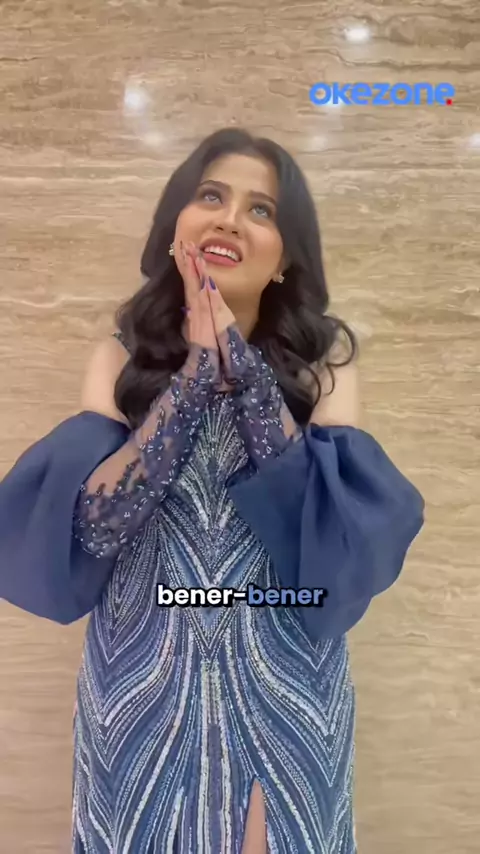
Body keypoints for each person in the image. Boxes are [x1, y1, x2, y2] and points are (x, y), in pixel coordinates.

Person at [0, 128, 424, 854]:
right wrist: (196, 375)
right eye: (211, 196)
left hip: (286, 680)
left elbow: (331, 545)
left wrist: (245, 373)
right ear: (177, 228)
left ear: (286, 258)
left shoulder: (325, 365)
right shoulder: (120, 358)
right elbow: (99, 525)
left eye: (261, 210)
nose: (230, 219)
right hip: (140, 679)